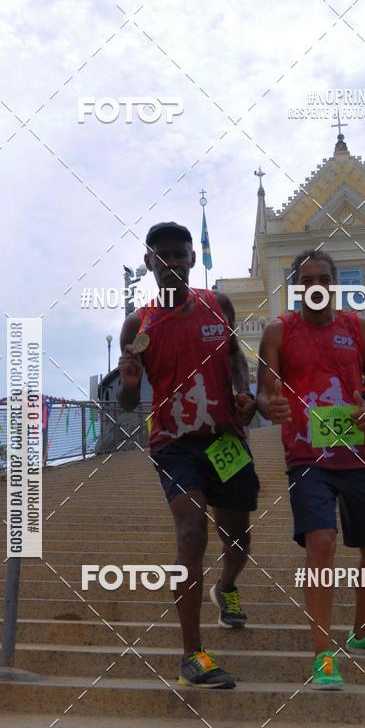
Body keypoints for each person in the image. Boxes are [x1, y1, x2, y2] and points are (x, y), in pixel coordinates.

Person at [256, 249, 365, 690]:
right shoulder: (278, 331)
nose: (316, 286)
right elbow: (265, 392)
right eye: (307, 280)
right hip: (307, 455)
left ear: (335, 284)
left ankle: (363, 632)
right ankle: (324, 652)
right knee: (321, 541)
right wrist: (273, 406)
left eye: (324, 278)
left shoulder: (357, 327)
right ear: (296, 287)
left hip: (361, 452)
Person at [117, 222, 258, 689]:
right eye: (163, 256)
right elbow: (124, 398)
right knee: (191, 531)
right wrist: (133, 384)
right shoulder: (140, 324)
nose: (173, 263)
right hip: (174, 443)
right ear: (149, 264)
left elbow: (236, 354)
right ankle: (192, 654)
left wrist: (243, 391)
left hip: (225, 438)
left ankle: (228, 586)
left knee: (238, 538)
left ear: (192, 260)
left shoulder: (218, 305)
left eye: (180, 255)